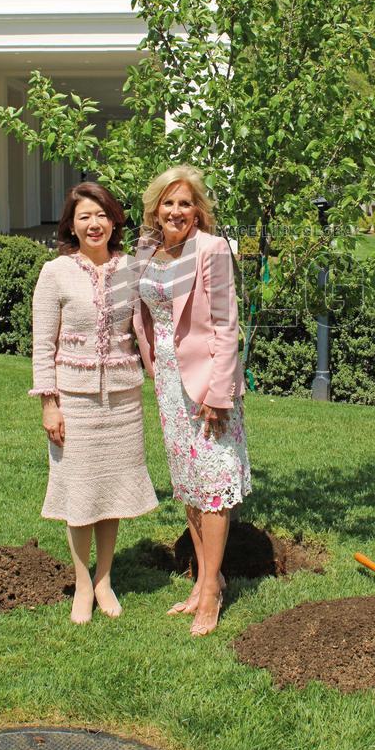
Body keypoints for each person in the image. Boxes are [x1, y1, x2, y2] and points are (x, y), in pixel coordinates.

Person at [30, 182, 157, 624]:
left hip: (122, 400)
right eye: (84, 216)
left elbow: (149, 326)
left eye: (101, 215)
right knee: (80, 491)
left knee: (111, 490)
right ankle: (82, 582)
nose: (93, 224)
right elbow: (42, 345)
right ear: (71, 224)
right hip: (75, 400)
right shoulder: (55, 273)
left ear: (113, 220)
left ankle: (105, 578)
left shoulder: (131, 270)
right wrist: (50, 403)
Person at [133, 165, 251, 636]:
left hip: (207, 383)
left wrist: (219, 394)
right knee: (187, 481)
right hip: (166, 380)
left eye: (185, 203)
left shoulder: (212, 249)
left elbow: (225, 324)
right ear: (155, 208)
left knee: (214, 481)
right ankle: (207, 579)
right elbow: (138, 313)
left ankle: (209, 595)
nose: (176, 211)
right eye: (168, 202)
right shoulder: (147, 251)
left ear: (198, 210)